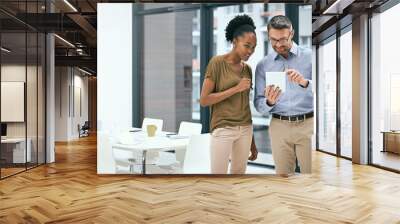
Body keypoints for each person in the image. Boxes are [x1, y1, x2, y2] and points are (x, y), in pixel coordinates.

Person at [254, 15, 313, 175]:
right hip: (279, 126)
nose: (279, 44)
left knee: (311, 176)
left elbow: (326, 90)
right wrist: (269, 102)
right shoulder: (263, 65)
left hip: (308, 124)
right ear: (268, 36)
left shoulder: (310, 57)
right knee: (283, 178)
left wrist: (304, 82)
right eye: (274, 40)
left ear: (291, 34)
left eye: (283, 39)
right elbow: (258, 105)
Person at [200, 14, 258, 174]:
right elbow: (204, 100)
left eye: (253, 47)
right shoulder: (217, 63)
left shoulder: (247, 69)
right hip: (223, 128)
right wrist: (236, 88)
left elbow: (245, 105)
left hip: (246, 129)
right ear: (234, 42)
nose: (250, 51)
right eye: (247, 45)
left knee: (239, 176)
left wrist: (252, 142)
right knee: (218, 176)